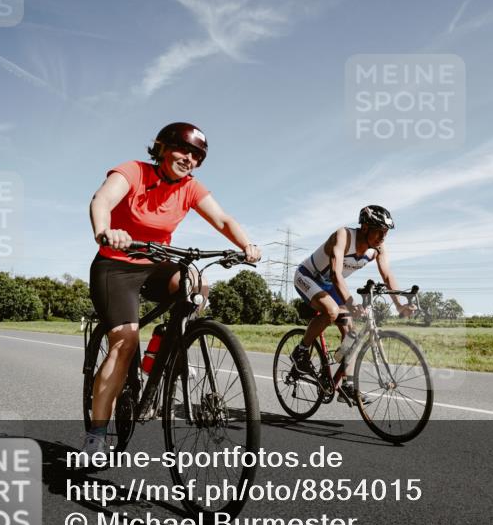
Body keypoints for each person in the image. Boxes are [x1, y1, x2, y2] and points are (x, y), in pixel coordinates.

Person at [84, 122, 261, 458]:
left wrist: (246, 244)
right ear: (162, 147)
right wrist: (105, 231)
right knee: (124, 343)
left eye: (197, 155)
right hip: (116, 265)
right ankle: (95, 434)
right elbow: (102, 199)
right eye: (183, 150)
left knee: (197, 281)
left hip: (155, 264)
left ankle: (169, 338)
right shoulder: (133, 172)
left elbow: (222, 220)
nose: (189, 159)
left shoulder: (190, 187)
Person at [290, 205, 414, 403]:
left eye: (386, 233)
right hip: (307, 276)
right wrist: (350, 302)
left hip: (330, 286)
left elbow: (387, 275)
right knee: (331, 311)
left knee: (352, 333)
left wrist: (399, 305)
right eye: (379, 231)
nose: (383, 237)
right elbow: (335, 273)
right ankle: (301, 351)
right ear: (364, 228)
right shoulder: (343, 236)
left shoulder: (378, 249)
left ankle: (347, 386)